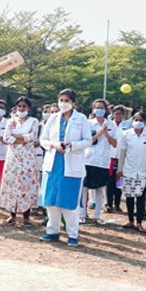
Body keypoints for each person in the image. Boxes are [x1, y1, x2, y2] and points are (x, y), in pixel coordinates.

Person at [39, 89, 92, 246]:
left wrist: (72, 145)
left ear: (73, 103)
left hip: (71, 166)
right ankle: (52, 231)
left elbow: (87, 141)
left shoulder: (81, 119)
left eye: (67, 100)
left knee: (69, 203)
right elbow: (43, 139)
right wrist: (54, 145)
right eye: (61, 100)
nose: (63, 103)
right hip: (53, 164)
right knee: (51, 200)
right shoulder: (53, 118)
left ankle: (72, 234)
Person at [0, 96, 40, 227]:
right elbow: (6, 137)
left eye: (24, 106)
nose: (22, 109)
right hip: (13, 158)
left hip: (28, 158)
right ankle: (12, 215)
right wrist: (22, 139)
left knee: (26, 185)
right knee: (12, 184)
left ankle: (26, 217)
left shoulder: (34, 121)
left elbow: (32, 137)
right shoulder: (11, 121)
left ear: (29, 108)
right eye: (19, 106)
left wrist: (16, 136)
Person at [116, 111, 146, 232]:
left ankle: (139, 222)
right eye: (136, 120)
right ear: (132, 121)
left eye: (141, 120)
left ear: (144, 122)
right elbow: (122, 153)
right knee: (129, 196)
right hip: (129, 170)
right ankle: (130, 220)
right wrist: (119, 170)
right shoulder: (126, 134)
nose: (138, 122)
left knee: (140, 197)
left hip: (143, 171)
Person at [83, 99, 118, 225]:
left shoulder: (111, 125)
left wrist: (106, 133)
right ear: (93, 109)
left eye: (102, 107)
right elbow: (88, 141)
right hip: (88, 159)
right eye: (97, 107)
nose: (99, 110)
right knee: (85, 188)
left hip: (103, 160)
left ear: (106, 109)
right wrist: (100, 133)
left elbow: (114, 143)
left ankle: (97, 215)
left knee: (100, 189)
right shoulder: (88, 123)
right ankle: (83, 214)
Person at [106, 105, 126, 213]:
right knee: (109, 183)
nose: (118, 116)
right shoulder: (109, 124)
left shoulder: (127, 126)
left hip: (121, 158)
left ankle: (117, 205)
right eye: (116, 113)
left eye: (120, 114)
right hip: (110, 157)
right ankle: (109, 204)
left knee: (119, 183)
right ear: (113, 114)